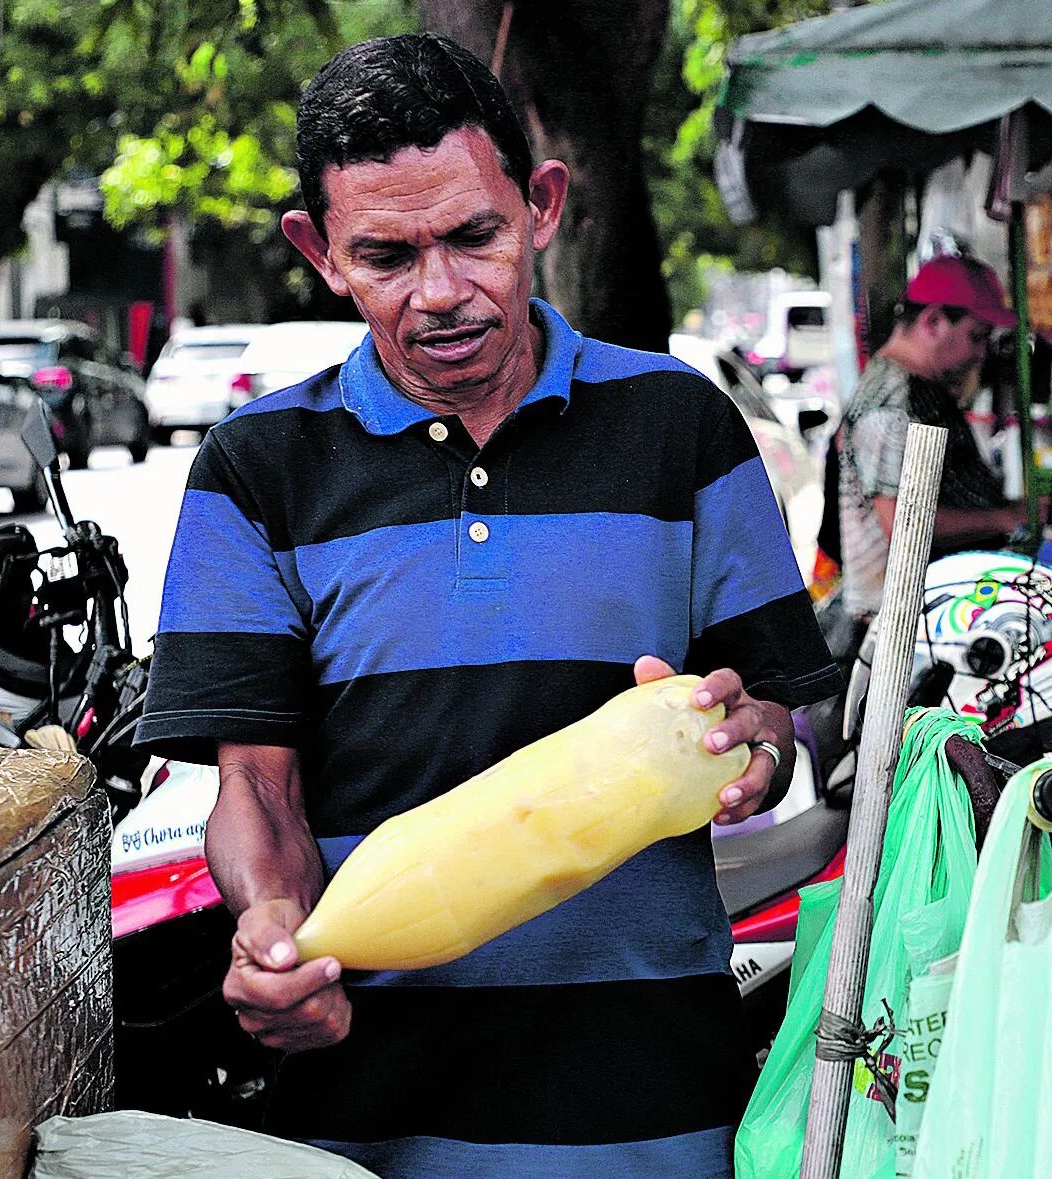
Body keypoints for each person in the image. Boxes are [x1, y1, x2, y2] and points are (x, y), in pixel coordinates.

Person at [135, 34, 840, 1179]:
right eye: (386, 255)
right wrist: (272, 930)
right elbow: (255, 781)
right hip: (370, 1114)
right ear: (319, 254)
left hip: (650, 1102)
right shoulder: (254, 469)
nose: (442, 293)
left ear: (543, 206)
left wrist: (747, 747)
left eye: (475, 236)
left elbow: (772, 718)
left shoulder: (681, 428)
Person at [820, 254, 1025, 628]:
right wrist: (1007, 516)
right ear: (932, 321)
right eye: (975, 337)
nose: (980, 354)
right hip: (905, 624)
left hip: (941, 609)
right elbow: (903, 524)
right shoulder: (890, 403)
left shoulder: (917, 389)